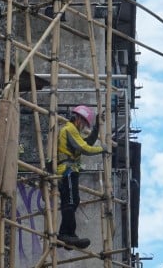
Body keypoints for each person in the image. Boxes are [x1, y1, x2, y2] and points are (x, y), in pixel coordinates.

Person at [56, 105, 111, 249]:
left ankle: (64, 234)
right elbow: (84, 148)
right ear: (78, 118)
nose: (83, 127)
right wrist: (102, 149)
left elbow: (86, 143)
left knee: (73, 201)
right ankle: (70, 234)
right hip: (66, 170)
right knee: (70, 201)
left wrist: (97, 129)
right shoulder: (69, 129)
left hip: (70, 170)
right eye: (84, 123)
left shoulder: (73, 131)